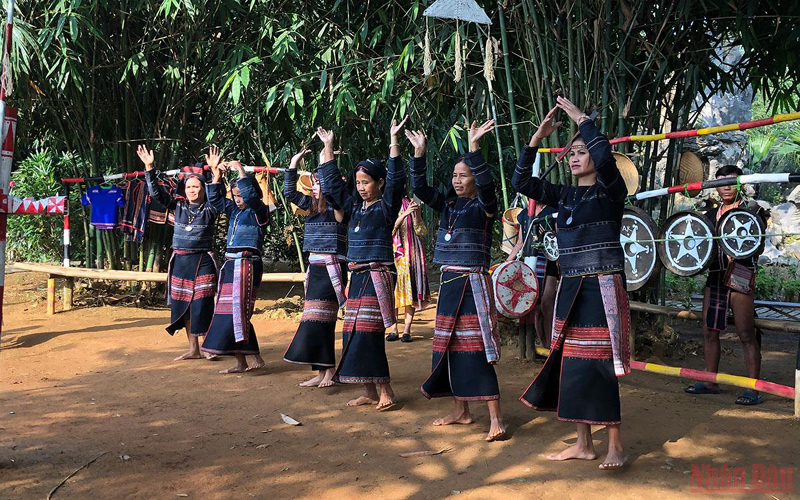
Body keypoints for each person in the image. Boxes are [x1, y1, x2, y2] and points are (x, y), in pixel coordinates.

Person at [514, 97, 630, 470]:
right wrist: (537, 137)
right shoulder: (563, 196)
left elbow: (608, 160)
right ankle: (583, 444)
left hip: (601, 288)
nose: (576, 157)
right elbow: (520, 182)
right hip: (570, 289)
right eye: (572, 152)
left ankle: (615, 445)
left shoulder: (611, 193)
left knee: (602, 365)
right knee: (573, 365)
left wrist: (583, 121)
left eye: (583, 151)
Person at [408, 120, 507, 442]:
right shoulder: (448, 205)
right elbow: (421, 190)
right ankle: (461, 411)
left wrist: (474, 147)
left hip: (472, 286)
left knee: (477, 350)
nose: (458, 180)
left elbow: (490, 189)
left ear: (476, 178)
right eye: (455, 175)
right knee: (449, 349)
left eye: (464, 175)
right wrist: (419, 153)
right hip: (449, 284)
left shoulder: (484, 207)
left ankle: (495, 418)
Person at [318, 120, 407, 410]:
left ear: (379, 182)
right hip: (356, 275)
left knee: (370, 332)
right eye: (358, 183)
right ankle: (368, 391)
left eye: (366, 182)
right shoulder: (355, 207)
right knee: (353, 332)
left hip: (376, 274)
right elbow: (332, 185)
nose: (361, 187)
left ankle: (386, 391)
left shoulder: (385, 207)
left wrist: (394, 141)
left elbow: (396, 182)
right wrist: (328, 147)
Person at [684, 165, 766, 405]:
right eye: (721, 182)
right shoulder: (710, 216)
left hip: (741, 273)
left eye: (731, 182)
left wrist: (736, 249)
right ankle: (711, 381)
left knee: (746, 333)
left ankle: (753, 388)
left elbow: (758, 246)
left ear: (740, 184)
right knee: (709, 330)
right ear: (714, 186)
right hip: (715, 275)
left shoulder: (751, 210)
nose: (726, 187)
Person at [139, 145, 219, 361]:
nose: (193, 190)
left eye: (197, 186)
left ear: (203, 188)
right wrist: (149, 167)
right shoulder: (178, 206)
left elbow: (216, 192)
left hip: (203, 260)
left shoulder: (211, 208)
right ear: (184, 189)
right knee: (184, 305)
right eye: (189, 187)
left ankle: (209, 347)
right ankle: (193, 349)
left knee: (202, 304)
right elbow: (156, 192)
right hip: (181, 261)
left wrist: (215, 173)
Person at [283, 148, 349, 388]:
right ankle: (322, 372)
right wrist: (293, 162)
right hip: (315, 267)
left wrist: (326, 162)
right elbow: (288, 191)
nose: (317, 187)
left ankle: (329, 371)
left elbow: (337, 199)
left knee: (323, 320)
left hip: (332, 267)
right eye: (315, 183)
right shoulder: (310, 205)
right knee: (314, 320)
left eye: (321, 183)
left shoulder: (339, 207)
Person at [201, 160, 271, 373]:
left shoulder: (260, 212)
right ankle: (241, 361)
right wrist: (216, 177)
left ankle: (255, 358)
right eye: (236, 195)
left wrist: (241, 171)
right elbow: (214, 198)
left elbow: (251, 197)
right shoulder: (234, 210)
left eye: (242, 194)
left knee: (240, 312)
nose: (239, 199)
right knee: (229, 313)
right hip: (231, 265)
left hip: (247, 264)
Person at [506, 201, 558, 352]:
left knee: (548, 301)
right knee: (532, 304)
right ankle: (540, 344)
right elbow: (520, 243)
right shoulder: (523, 215)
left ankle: (550, 344)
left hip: (550, 261)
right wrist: (507, 263)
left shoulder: (552, 210)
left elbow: (557, 239)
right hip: (529, 263)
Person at [386, 196, 430, 343]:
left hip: (412, 254)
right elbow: (389, 230)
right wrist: (404, 214)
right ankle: (393, 329)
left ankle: (407, 330)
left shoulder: (409, 203)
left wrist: (417, 213)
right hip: (395, 253)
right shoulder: (389, 203)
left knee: (409, 292)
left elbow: (421, 231)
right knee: (394, 291)